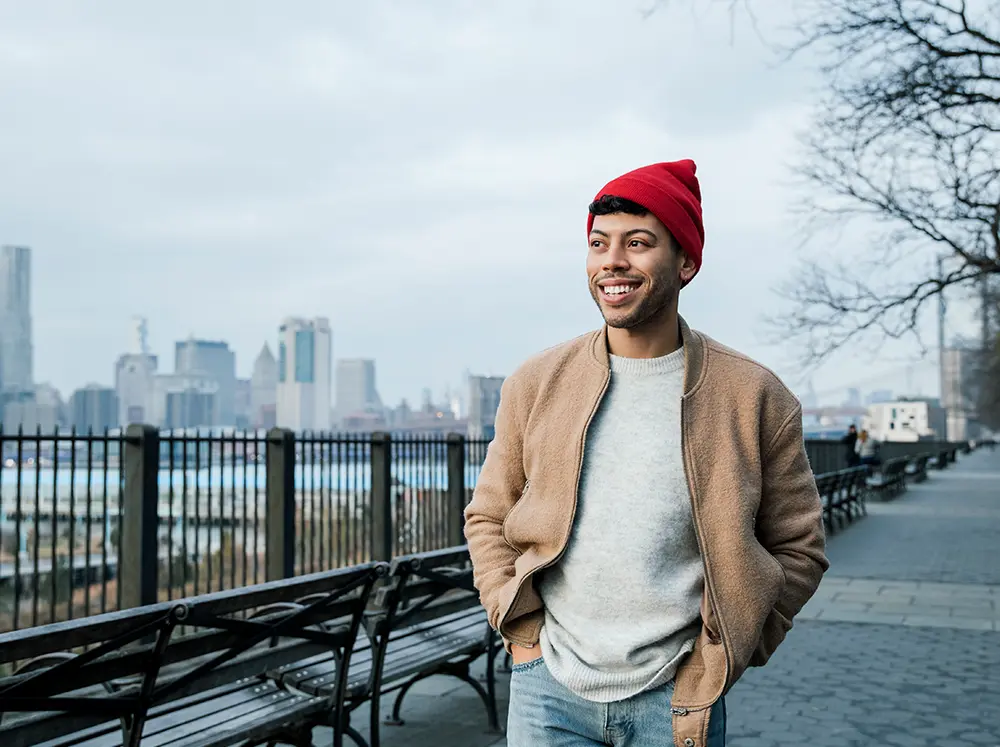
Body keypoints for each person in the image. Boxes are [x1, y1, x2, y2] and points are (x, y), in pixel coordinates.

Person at [464, 160, 830, 747]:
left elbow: (799, 547)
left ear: (685, 262)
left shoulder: (754, 396)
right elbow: (488, 516)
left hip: (679, 698)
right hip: (547, 689)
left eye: (638, 243)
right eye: (598, 244)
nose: (612, 261)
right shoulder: (535, 383)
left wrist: (728, 652)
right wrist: (522, 635)